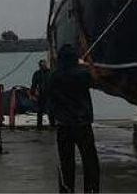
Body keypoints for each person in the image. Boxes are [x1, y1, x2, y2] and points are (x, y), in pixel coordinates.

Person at [45, 44, 99, 193]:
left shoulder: (54, 76)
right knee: (90, 160)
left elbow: (50, 98)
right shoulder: (82, 74)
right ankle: (91, 190)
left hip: (64, 125)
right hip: (83, 124)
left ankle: (67, 189)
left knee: (66, 162)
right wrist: (86, 64)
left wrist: (53, 118)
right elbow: (96, 79)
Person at [31, 59, 54, 130]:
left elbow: (54, 84)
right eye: (42, 65)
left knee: (50, 111)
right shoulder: (37, 74)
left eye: (44, 64)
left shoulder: (50, 73)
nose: (43, 66)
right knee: (40, 111)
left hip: (49, 94)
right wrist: (32, 93)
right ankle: (39, 126)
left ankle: (52, 125)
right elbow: (34, 84)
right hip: (41, 94)